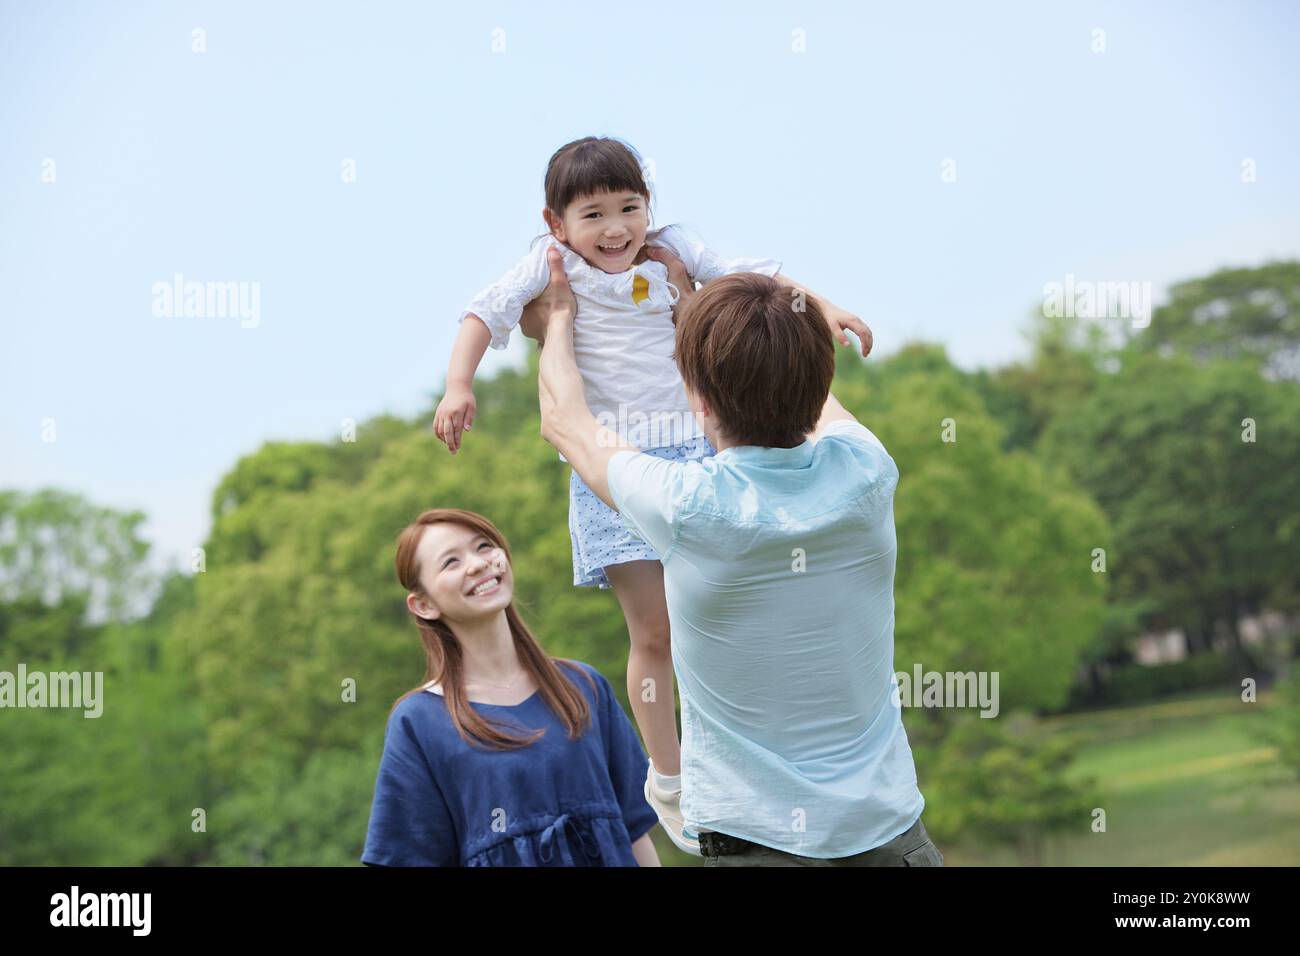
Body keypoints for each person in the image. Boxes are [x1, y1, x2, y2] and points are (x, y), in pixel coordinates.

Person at [431, 136, 871, 848]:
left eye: (630, 207)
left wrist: (825, 308)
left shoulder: (673, 248)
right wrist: (459, 386)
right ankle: (667, 774)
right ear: (557, 223)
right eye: (594, 214)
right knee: (656, 631)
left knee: (723, 612)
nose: (616, 229)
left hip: (701, 450)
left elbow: (753, 277)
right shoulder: (551, 269)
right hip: (616, 461)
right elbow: (483, 313)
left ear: (650, 206)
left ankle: (753, 749)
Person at [532, 246, 944, 866]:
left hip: (755, 843)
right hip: (892, 836)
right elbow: (808, 389)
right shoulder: (866, 472)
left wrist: (561, 316)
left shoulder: (688, 505)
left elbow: (565, 419)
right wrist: (714, 312)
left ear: (695, 400)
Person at [360, 507, 660, 866]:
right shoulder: (419, 722)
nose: (477, 564)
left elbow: (634, 831)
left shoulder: (583, 686)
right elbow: (408, 855)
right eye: (451, 562)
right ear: (423, 604)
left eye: (484, 546)